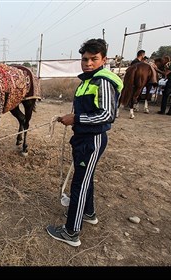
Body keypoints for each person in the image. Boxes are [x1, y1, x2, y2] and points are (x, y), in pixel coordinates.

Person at [46, 38, 123, 247]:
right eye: (85, 59)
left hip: (92, 139)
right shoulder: (88, 81)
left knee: (79, 184)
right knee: (85, 177)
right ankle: (89, 213)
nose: (88, 63)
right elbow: (87, 111)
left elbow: (107, 115)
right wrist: (71, 117)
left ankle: (71, 232)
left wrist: (76, 119)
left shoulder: (102, 82)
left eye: (93, 59)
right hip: (83, 138)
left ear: (103, 60)